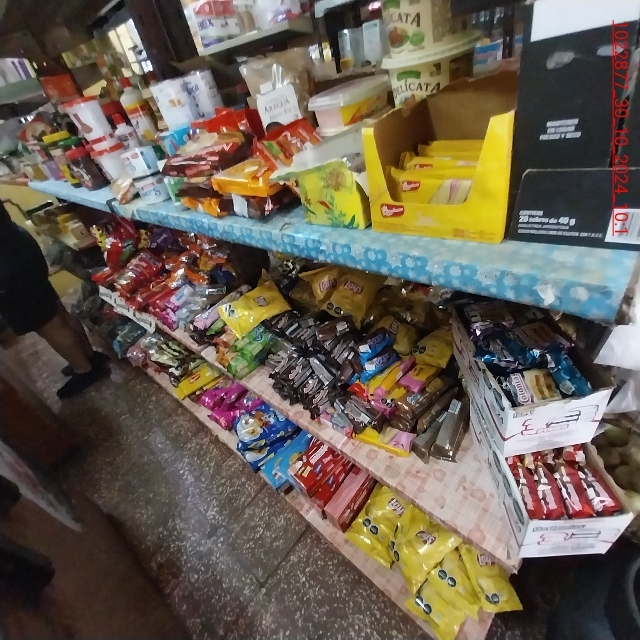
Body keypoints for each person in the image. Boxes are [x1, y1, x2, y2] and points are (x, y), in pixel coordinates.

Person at [0, 201, 109, 398]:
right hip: (16, 245)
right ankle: (89, 356)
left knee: (46, 324)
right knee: (56, 310)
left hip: (7, 266)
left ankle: (84, 369)